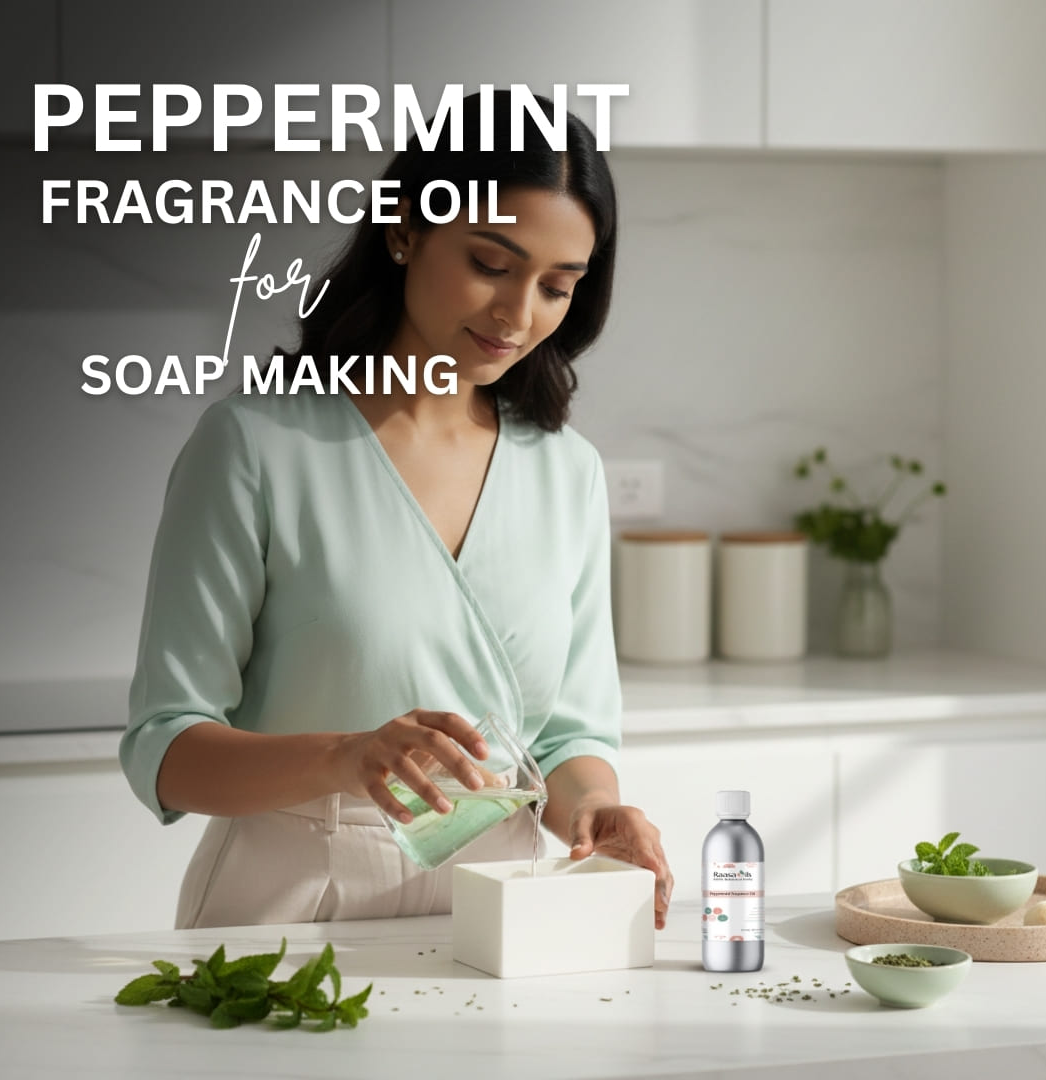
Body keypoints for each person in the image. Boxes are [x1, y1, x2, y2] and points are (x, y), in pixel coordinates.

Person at [120, 90, 674, 930]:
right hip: (291, 903)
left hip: (500, 905)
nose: (519, 315)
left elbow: (568, 738)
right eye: (491, 264)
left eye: (558, 286)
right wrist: (346, 757)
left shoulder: (568, 472)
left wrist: (597, 807)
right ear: (405, 229)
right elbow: (165, 746)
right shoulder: (255, 445)